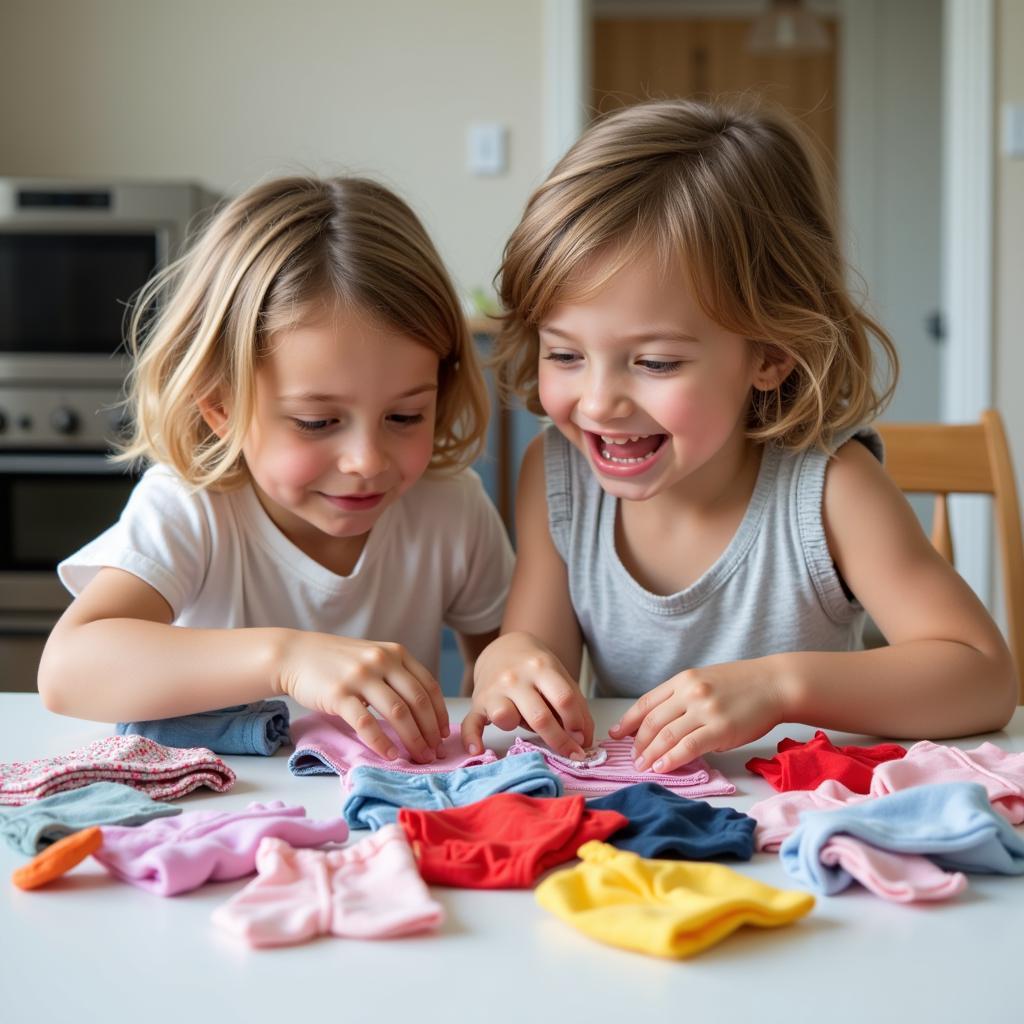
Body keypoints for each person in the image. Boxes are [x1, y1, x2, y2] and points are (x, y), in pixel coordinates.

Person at [463, 98, 1017, 770]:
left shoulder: (831, 490)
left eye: (655, 361)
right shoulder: (556, 475)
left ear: (768, 353)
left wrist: (778, 686)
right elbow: (536, 651)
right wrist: (510, 659)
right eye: (565, 354)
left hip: (804, 828)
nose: (598, 402)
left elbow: (984, 678)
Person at [38, 175, 514, 765]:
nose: (366, 461)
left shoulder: (453, 507)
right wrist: (286, 659)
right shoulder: (192, 505)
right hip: (215, 806)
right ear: (220, 407)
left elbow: (498, 669)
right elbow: (67, 670)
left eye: (405, 415)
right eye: (316, 422)